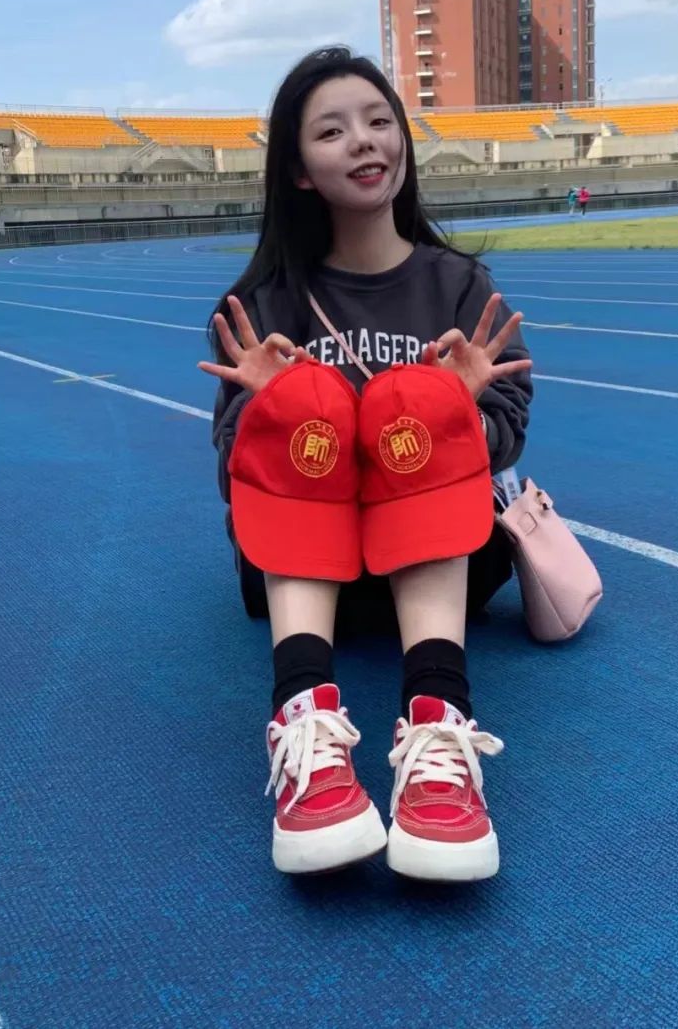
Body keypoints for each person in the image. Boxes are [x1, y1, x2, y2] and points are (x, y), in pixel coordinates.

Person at [199, 46, 533, 883]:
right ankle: (303, 722)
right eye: (332, 130)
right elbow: (235, 474)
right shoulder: (263, 304)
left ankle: (440, 724)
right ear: (298, 169)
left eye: (380, 121)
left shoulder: (460, 286)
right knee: (307, 417)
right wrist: (268, 414)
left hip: (438, 559)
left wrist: (456, 414)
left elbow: (507, 431)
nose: (363, 140)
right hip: (311, 578)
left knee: (416, 416)